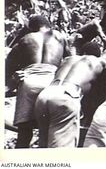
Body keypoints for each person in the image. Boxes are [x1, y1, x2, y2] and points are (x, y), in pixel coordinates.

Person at [5, 15, 71, 148]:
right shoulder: (60, 36)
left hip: (29, 80)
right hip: (52, 81)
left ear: (31, 28)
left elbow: (8, 66)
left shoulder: (25, 39)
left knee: (24, 133)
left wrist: (13, 78)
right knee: (47, 132)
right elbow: (70, 59)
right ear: (48, 25)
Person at [34, 53, 106, 148]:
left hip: (46, 93)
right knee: (61, 150)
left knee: (43, 143)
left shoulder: (68, 59)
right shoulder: (98, 61)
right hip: (66, 96)